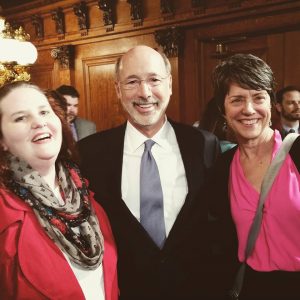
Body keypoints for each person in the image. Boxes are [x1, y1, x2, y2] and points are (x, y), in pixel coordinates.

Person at [78, 45, 218, 300]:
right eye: (132, 82)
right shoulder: (89, 153)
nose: (145, 93)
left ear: (170, 84)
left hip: (196, 289)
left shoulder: (203, 144)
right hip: (124, 291)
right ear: (118, 90)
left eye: (154, 80)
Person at [0, 81, 118, 300]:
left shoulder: (86, 196)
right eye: (20, 118)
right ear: (2, 141)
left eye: (44, 112)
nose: (38, 122)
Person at [208, 54, 300, 299]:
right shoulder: (222, 168)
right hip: (250, 288)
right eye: (237, 99)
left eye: (258, 98)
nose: (248, 109)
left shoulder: (297, 153)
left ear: (271, 104)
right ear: (222, 108)